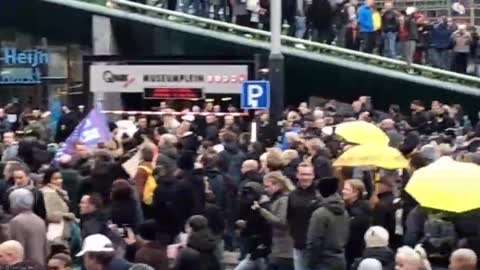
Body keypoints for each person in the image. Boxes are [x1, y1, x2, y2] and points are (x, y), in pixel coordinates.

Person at [253, 172, 295, 270]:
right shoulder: (275, 199)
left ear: (278, 185)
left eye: (268, 186)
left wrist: (261, 210)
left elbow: (281, 222)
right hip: (277, 248)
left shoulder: (284, 200)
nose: (265, 189)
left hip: (284, 249)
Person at [306, 177, 349, 270]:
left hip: (323, 262)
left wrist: (310, 262)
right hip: (340, 260)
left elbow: (314, 241)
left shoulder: (320, 213)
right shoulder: (344, 211)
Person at [287, 162, 321, 270]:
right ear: (297, 175)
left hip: (317, 245)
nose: (305, 177)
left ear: (313, 175)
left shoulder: (320, 194)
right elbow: (289, 217)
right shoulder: (292, 195)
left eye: (308, 174)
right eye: (302, 174)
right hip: (299, 243)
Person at [8, 188, 47, 266]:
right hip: (40, 264)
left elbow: (17, 250)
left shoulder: (17, 221)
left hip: (24, 266)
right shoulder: (40, 220)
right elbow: (45, 248)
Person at [342, 179, 371, 268]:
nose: (343, 191)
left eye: (346, 189)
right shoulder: (347, 207)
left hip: (356, 251)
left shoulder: (361, 210)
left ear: (355, 193)